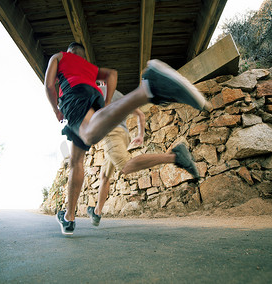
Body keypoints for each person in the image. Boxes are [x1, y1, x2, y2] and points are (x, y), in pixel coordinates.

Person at [45, 42, 211, 235]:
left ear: (68, 52)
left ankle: (148, 90)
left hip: (75, 97)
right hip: (95, 98)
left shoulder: (60, 57)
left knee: (93, 137)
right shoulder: (90, 69)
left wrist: (56, 110)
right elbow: (112, 74)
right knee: (78, 161)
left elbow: (49, 85)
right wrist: (106, 104)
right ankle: (70, 217)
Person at [86, 87, 199, 227]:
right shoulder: (120, 95)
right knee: (104, 176)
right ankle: (96, 212)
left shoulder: (97, 91)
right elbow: (140, 114)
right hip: (123, 135)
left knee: (126, 167)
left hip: (111, 134)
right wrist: (140, 134)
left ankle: (175, 156)